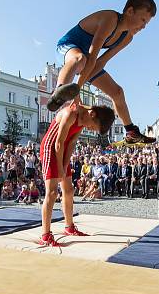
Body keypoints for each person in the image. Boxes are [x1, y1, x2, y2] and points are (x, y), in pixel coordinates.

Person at [46, 0, 156, 144]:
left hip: (88, 60)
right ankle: (58, 91)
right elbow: (92, 57)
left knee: (117, 92)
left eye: (147, 23)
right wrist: (76, 91)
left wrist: (78, 90)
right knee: (80, 59)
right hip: (69, 47)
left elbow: (101, 62)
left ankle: (131, 132)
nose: (144, 26)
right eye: (143, 20)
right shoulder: (110, 19)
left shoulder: (127, 38)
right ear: (130, 11)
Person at [38, 103, 115, 246]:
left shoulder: (84, 118)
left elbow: (72, 141)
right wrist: (60, 169)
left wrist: (65, 165)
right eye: (93, 126)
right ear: (92, 114)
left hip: (63, 148)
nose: (91, 129)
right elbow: (58, 143)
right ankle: (45, 235)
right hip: (51, 147)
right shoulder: (70, 114)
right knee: (53, 192)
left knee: (69, 190)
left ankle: (69, 227)